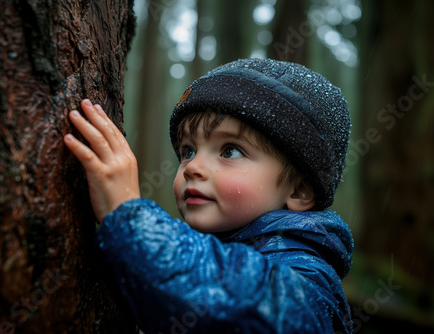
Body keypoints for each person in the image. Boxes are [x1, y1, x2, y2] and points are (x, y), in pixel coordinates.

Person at [63, 58, 353, 333]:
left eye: (230, 151)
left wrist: (128, 217)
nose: (194, 167)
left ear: (299, 190)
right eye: (188, 151)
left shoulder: (310, 277)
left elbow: (242, 304)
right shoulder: (210, 248)